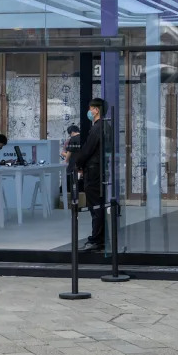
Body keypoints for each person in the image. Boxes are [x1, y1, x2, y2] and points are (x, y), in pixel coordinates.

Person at [68, 98, 109, 252]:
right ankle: (100, 237)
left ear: (96, 110)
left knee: (95, 206)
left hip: (94, 171)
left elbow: (87, 149)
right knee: (98, 205)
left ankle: (96, 239)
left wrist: (77, 163)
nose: (89, 112)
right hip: (99, 170)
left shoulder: (98, 128)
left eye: (91, 109)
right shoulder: (105, 126)